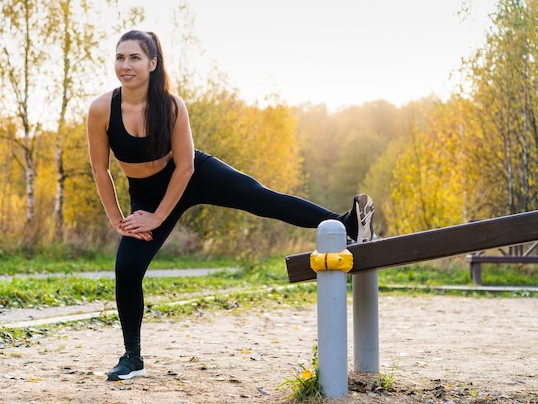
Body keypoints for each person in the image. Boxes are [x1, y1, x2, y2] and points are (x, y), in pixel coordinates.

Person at [87, 29, 375, 381]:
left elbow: (187, 166)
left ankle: (347, 224)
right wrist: (119, 220)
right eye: (120, 57)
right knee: (127, 269)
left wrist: (158, 217)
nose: (126, 65)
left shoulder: (172, 106)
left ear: (152, 63)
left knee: (260, 197)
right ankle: (133, 357)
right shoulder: (102, 109)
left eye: (134, 58)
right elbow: (100, 170)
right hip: (145, 195)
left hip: (193, 174)